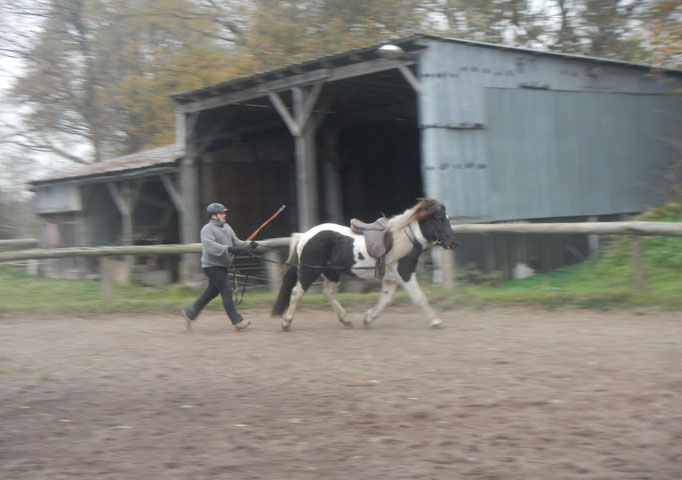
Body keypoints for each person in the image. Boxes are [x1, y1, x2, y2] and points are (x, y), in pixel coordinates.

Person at [182, 202, 258, 331]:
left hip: (222, 265)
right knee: (226, 290)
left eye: (224, 213)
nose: (224, 215)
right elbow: (210, 246)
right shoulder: (207, 229)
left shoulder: (227, 227)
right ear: (213, 216)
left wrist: (249, 245)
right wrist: (228, 249)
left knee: (212, 292)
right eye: (221, 213)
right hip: (211, 266)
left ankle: (190, 313)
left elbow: (237, 242)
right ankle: (237, 321)